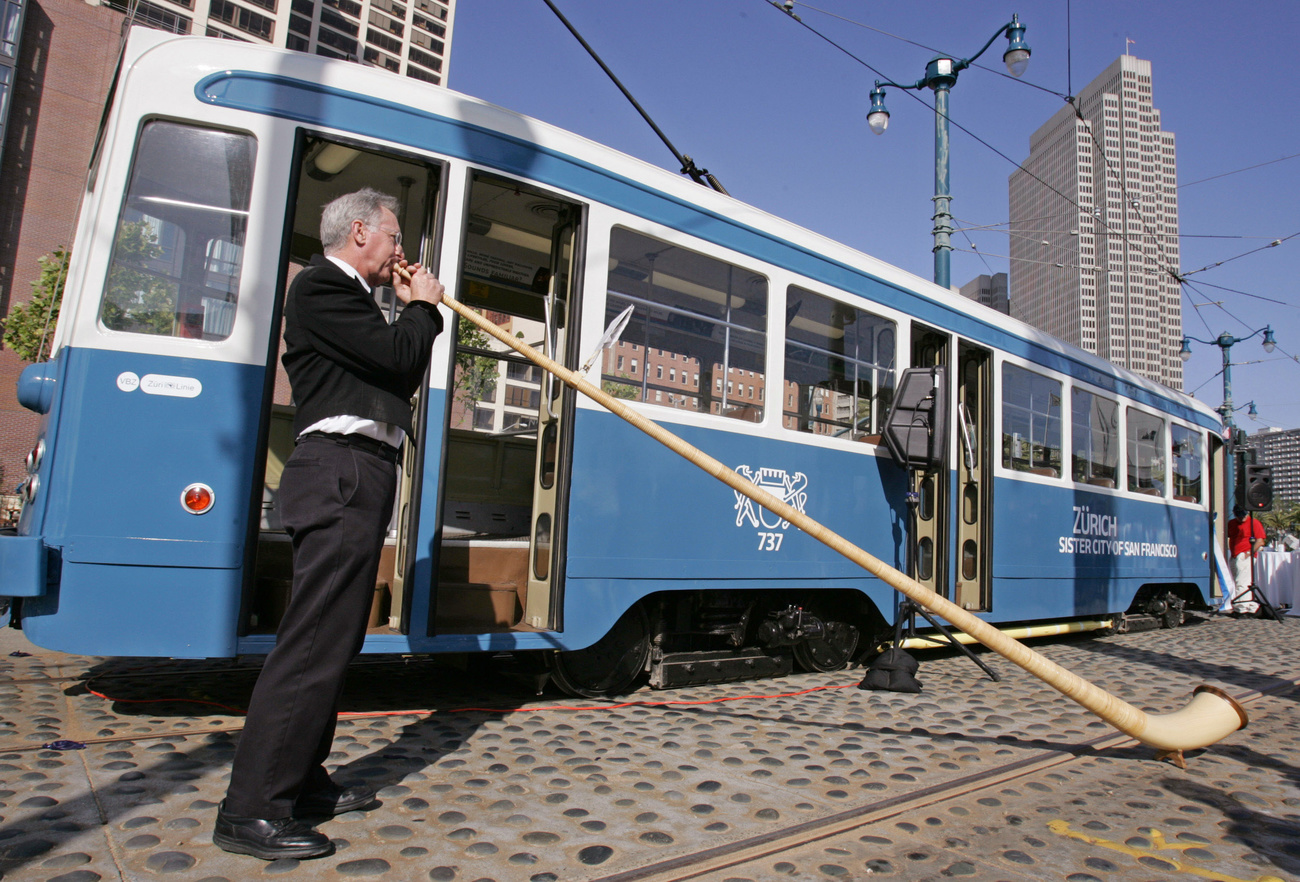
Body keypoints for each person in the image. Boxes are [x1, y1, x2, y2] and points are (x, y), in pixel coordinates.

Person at [214, 189, 444, 860]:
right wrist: (423, 307)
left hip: (360, 470)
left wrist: (411, 313)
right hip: (340, 467)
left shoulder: (354, 300)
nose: (400, 252)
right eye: (395, 237)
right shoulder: (322, 286)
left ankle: (301, 780)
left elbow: (391, 367)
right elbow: (399, 358)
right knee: (313, 641)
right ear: (361, 232)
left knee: (335, 641)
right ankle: (251, 808)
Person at [1226, 505, 1266, 617]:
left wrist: (1249, 553)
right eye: (1239, 516)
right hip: (1235, 555)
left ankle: (1241, 608)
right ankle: (1250, 607)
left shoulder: (1254, 523)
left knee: (1241, 582)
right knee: (1240, 582)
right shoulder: (1232, 523)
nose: (1241, 518)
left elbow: (1260, 541)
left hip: (1245, 554)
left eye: (1243, 515)